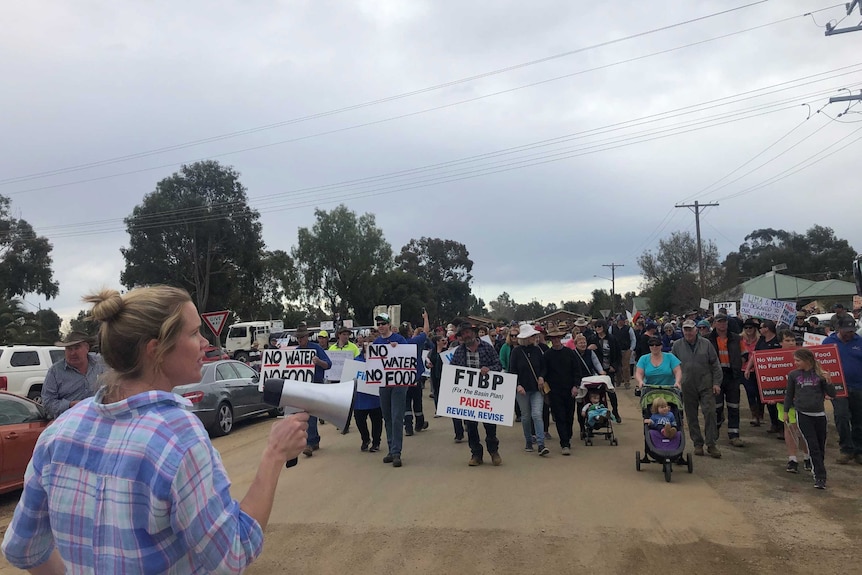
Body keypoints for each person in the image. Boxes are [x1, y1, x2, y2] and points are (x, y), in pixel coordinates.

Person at [1, 286, 309, 573]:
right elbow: (233, 554)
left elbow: (23, 547)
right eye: (193, 333)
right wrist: (274, 454)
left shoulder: (59, 431)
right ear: (156, 349)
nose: (205, 343)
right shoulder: (177, 434)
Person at [450, 322, 504, 466]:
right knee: (471, 426)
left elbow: (499, 365)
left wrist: (489, 369)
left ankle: (493, 451)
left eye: (469, 332)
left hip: (486, 395)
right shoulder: (459, 351)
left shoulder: (487, 348)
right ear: (461, 337)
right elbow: (453, 370)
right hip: (468, 396)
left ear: (474, 333)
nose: (467, 335)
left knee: (490, 425)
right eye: (464, 333)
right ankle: (476, 454)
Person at [784, 348, 837, 489]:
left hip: (819, 414)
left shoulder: (820, 375)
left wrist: (829, 381)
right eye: (795, 360)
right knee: (813, 445)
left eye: (798, 360)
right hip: (803, 414)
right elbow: (789, 394)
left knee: (820, 446)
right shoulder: (793, 375)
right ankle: (820, 477)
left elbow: (832, 394)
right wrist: (785, 411)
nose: (795, 363)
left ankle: (818, 468)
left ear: (807, 360)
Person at [672, 320, 723, 458]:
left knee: (710, 413)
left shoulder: (706, 344)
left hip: (706, 384)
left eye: (690, 329)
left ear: (696, 330)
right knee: (691, 415)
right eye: (685, 330)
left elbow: (715, 365)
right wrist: (676, 383)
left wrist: (717, 383)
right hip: (686, 385)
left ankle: (711, 444)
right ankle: (697, 443)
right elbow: (673, 366)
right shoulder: (677, 345)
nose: (688, 332)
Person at [41, 331, 107, 420]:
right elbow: (47, 403)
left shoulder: (102, 364)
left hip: (100, 420)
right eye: (69, 349)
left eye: (77, 348)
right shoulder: (55, 372)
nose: (72, 353)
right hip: (68, 423)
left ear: (87, 348)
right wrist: (71, 405)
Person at [823, 315, 862, 465]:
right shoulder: (828, 342)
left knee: (859, 420)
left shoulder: (859, 341)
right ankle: (846, 449)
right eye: (846, 331)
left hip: (858, 387)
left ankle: (859, 450)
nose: (849, 334)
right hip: (838, 388)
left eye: (852, 331)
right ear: (839, 329)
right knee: (841, 417)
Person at [372, 312, 409, 468]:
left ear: (389, 324)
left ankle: (396, 452)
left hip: (399, 384)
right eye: (378, 324)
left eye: (383, 323)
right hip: (383, 384)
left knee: (396, 417)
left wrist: (397, 349)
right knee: (387, 417)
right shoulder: (376, 344)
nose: (381, 326)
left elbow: (409, 356)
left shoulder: (400, 339)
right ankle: (391, 449)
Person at [508, 323, 549, 456]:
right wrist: (518, 385)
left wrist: (542, 377)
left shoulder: (537, 350)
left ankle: (541, 444)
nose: (535, 338)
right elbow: (512, 370)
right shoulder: (516, 352)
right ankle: (528, 441)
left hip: (537, 388)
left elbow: (544, 367)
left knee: (537, 414)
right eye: (532, 336)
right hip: (522, 390)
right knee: (525, 417)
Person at [707, 313, 746, 447]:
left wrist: (737, 365)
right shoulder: (708, 339)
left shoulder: (736, 338)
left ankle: (734, 435)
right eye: (720, 322)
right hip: (716, 377)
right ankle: (715, 429)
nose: (722, 324)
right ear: (715, 324)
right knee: (716, 407)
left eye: (724, 322)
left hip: (732, 376)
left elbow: (744, 354)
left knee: (734, 406)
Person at [776, 330, 811, 473]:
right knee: (790, 428)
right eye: (787, 340)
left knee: (803, 430)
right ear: (780, 342)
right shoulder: (774, 357)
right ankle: (792, 458)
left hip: (804, 400)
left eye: (792, 340)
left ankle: (807, 456)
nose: (791, 343)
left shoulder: (805, 356)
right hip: (784, 400)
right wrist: (769, 396)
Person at [296, 327, 332, 456]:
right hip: (304, 387)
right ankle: (313, 440)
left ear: (307, 337)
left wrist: (318, 362)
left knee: (310, 414)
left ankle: (310, 443)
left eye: (302, 337)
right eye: (298, 338)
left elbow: (328, 364)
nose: (300, 340)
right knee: (308, 414)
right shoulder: (296, 352)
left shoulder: (316, 349)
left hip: (316, 385)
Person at [543, 327, 579, 455]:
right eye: (553, 338)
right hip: (554, 391)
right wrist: (546, 392)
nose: (556, 340)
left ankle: (567, 436)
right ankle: (564, 443)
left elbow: (576, 370)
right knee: (559, 417)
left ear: (561, 339)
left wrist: (576, 386)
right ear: (551, 340)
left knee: (569, 415)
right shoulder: (547, 355)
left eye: (558, 338)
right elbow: (544, 374)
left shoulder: (570, 353)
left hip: (569, 389)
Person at [757, 320, 785, 439]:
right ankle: (774, 423)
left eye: (761, 327)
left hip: (779, 375)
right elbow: (755, 354)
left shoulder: (778, 341)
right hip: (765, 377)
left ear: (767, 328)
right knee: (769, 402)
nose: (759, 329)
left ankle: (782, 427)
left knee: (781, 402)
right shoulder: (761, 340)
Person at [740, 318, 764, 427]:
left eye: (751, 327)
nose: (748, 329)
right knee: (750, 392)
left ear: (755, 329)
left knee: (759, 393)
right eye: (746, 328)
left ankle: (760, 414)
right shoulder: (740, 339)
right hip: (744, 369)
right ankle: (754, 415)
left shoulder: (760, 340)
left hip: (758, 369)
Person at [610, 315, 636, 389]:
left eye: (623, 321)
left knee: (626, 367)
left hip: (626, 349)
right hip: (615, 350)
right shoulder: (612, 328)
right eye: (620, 321)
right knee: (617, 366)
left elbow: (633, 339)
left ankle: (627, 382)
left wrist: (631, 349)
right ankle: (618, 380)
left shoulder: (628, 328)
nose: (622, 322)